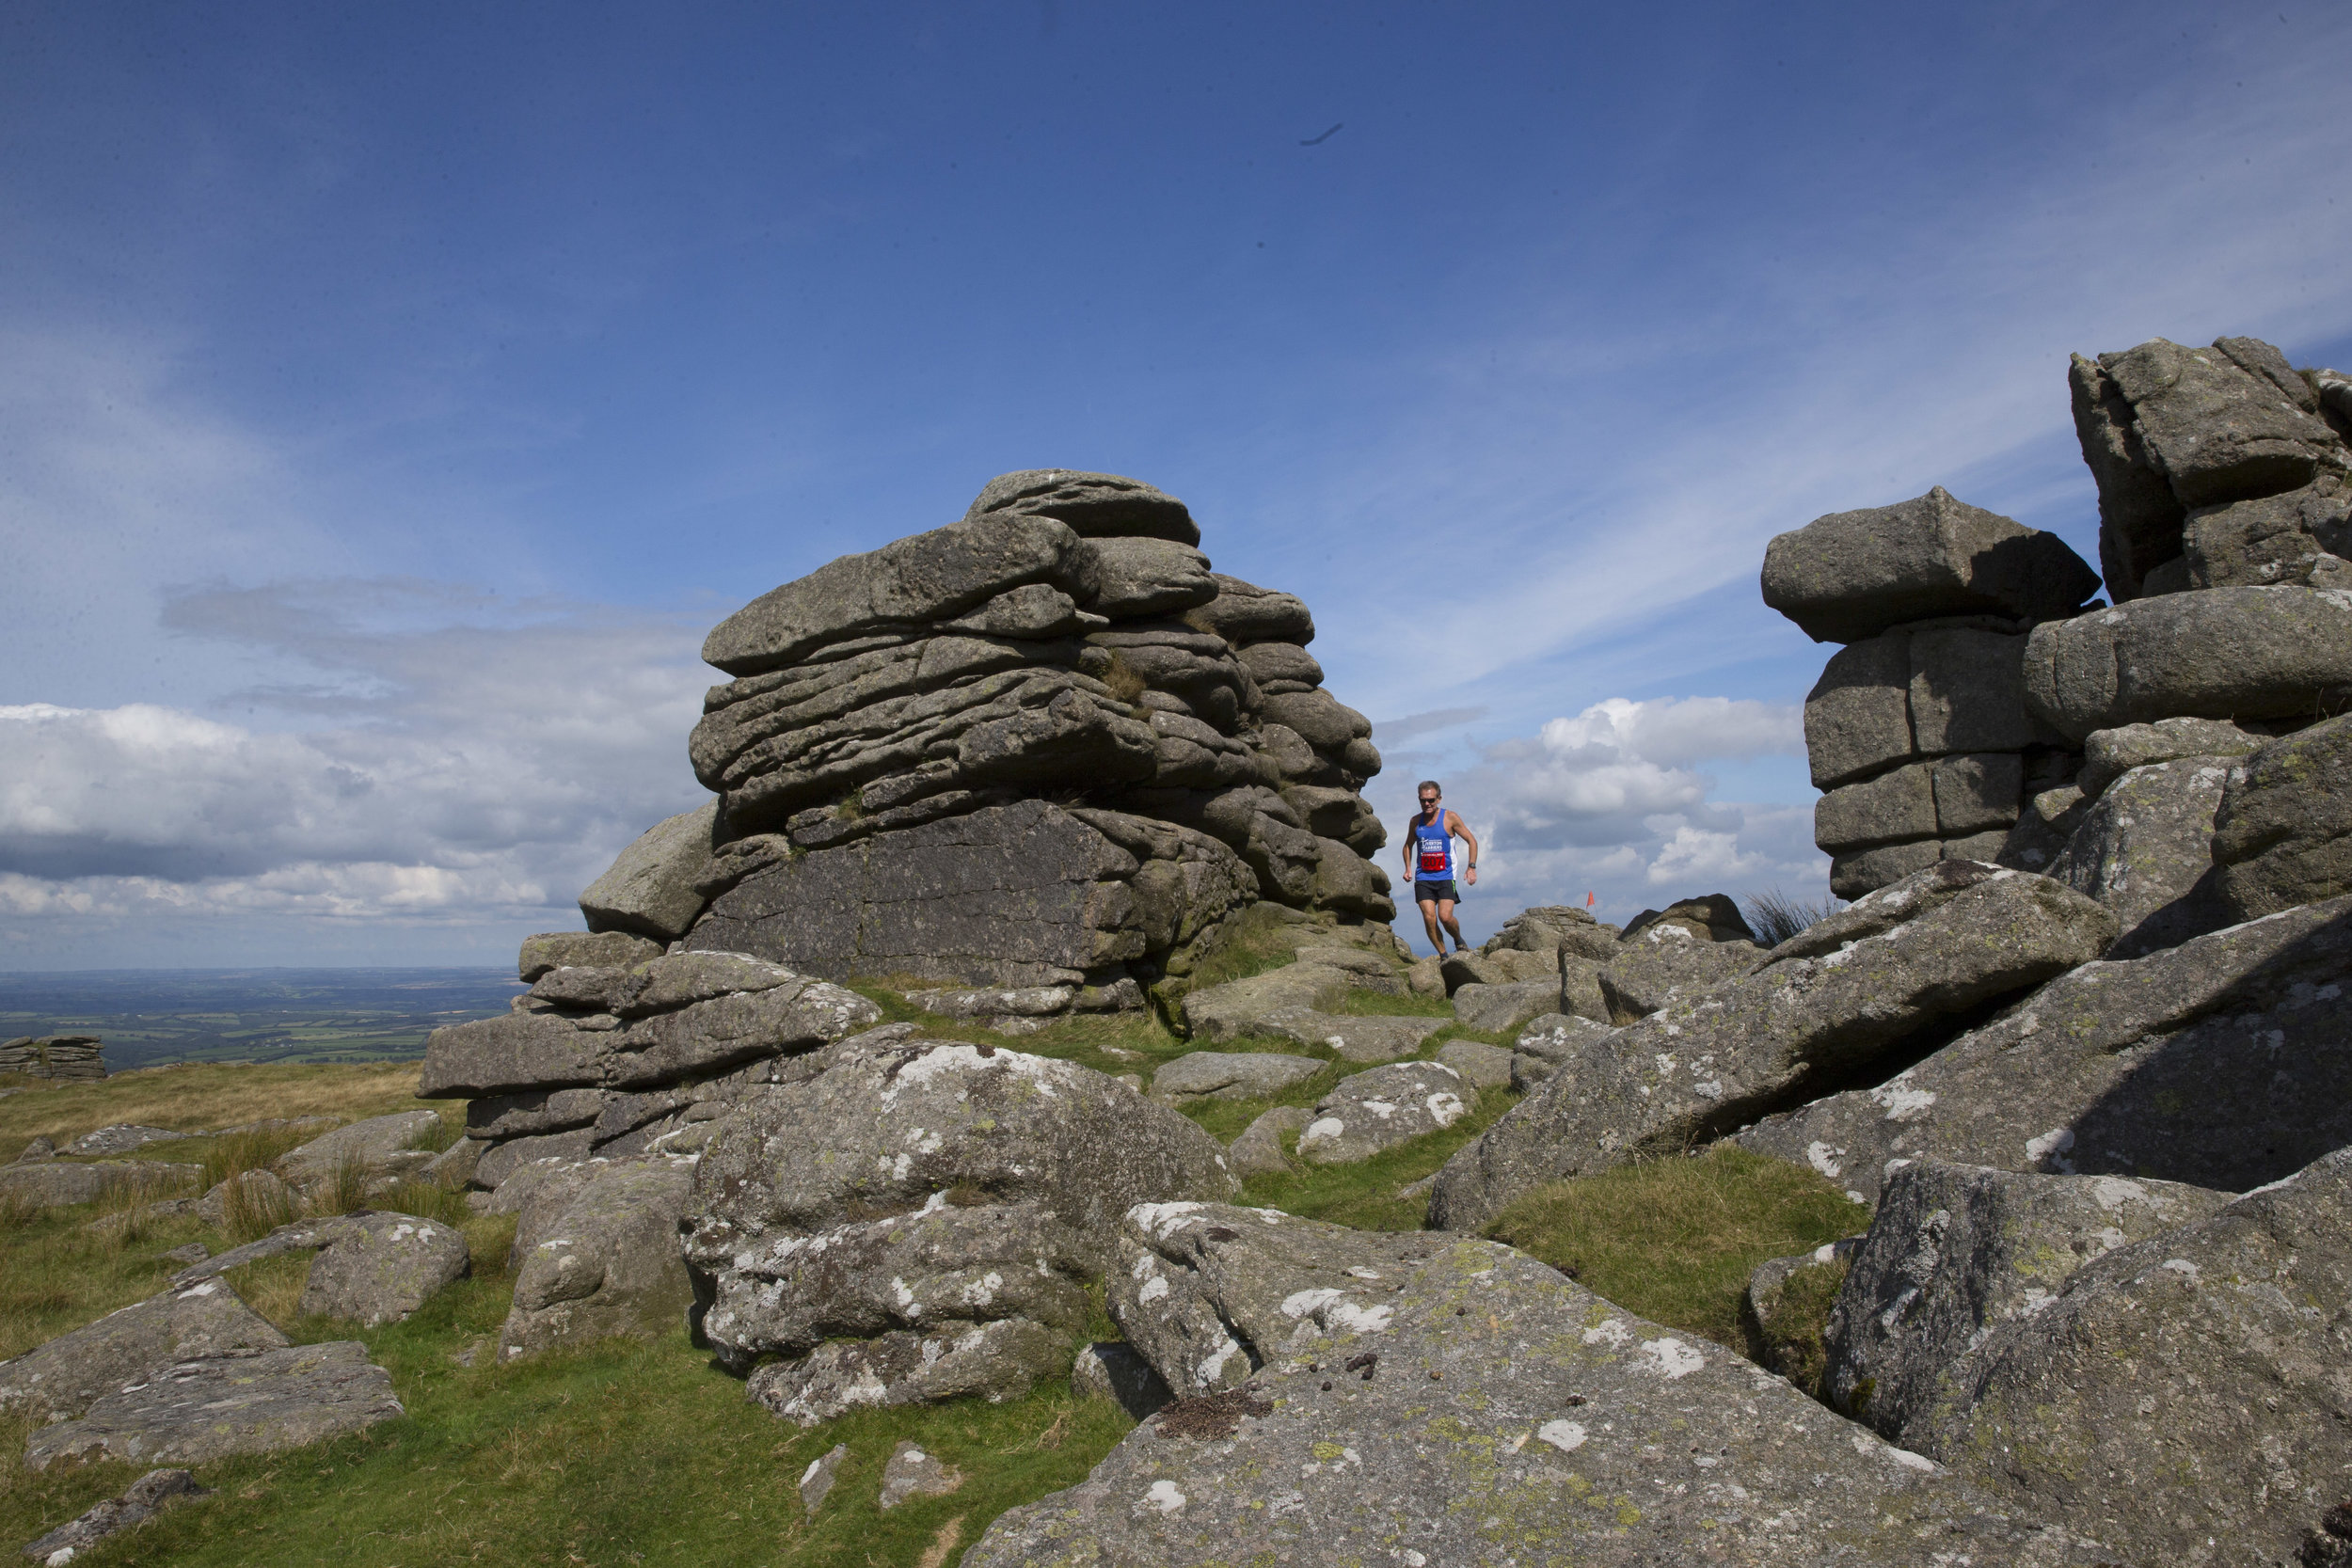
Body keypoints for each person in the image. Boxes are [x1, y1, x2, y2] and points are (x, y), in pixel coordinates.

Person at [1401, 780, 1478, 955]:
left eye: (1431, 800)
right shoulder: (1415, 821)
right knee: (1429, 918)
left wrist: (1471, 867)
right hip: (1423, 878)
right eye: (1423, 800)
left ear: (1439, 799)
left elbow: (1472, 841)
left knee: (1445, 917)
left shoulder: (1450, 817)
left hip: (1445, 876)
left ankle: (1458, 940)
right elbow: (1407, 845)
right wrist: (1408, 868)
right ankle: (1444, 955)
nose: (1427, 804)